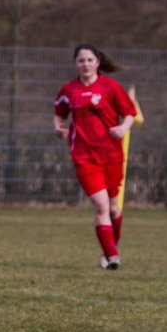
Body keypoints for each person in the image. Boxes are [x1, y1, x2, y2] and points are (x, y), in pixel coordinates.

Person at [53, 42, 136, 270]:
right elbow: (59, 114)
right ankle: (112, 257)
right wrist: (59, 129)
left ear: (98, 62)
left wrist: (123, 128)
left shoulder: (110, 87)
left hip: (111, 155)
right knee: (101, 207)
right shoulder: (69, 90)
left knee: (113, 208)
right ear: (75, 64)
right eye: (81, 61)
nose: (85, 64)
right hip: (84, 157)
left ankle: (110, 249)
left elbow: (129, 113)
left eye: (90, 60)